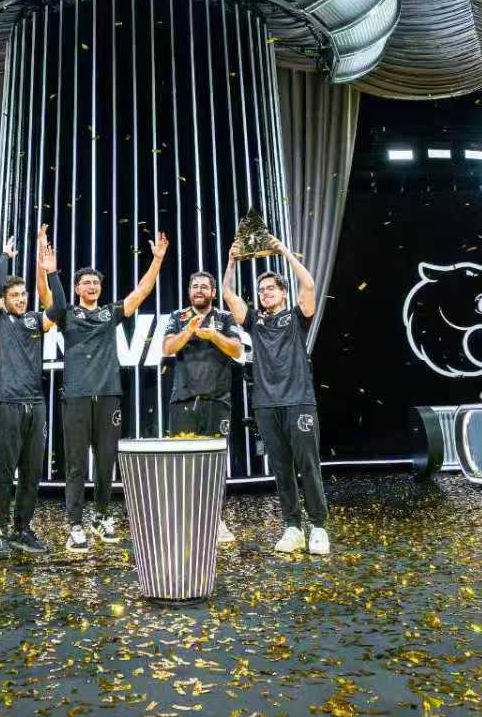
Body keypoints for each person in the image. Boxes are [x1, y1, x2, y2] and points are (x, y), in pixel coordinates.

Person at [42, 223, 169, 553]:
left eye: (96, 282)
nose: (92, 285)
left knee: (105, 462)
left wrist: (157, 260)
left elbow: (140, 293)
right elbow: (47, 299)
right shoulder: (65, 314)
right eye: (86, 282)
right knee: (75, 465)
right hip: (76, 397)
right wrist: (48, 270)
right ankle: (75, 525)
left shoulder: (110, 313)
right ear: (76, 288)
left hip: (109, 395)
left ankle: (101, 517)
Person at [223, 240, 329, 556]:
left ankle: (318, 527)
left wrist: (283, 252)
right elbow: (228, 294)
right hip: (266, 405)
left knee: (308, 465)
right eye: (261, 290)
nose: (265, 293)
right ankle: (293, 527)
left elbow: (309, 284)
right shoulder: (255, 322)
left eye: (271, 288)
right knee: (282, 469)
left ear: (283, 293)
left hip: (299, 400)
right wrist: (231, 261)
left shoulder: (297, 316)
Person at [0, 235, 54, 560]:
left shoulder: (34, 320)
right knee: (3, 472)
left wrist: (49, 272)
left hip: (35, 404)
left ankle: (22, 529)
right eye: (15, 295)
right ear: (4, 299)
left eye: (24, 294)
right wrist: (5, 257)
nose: (22, 299)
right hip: (4, 402)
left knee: (31, 472)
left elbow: (58, 310)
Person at [161, 269, 245, 546]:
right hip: (183, 401)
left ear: (213, 292)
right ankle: (184, 522)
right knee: (182, 466)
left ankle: (216, 520)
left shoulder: (225, 318)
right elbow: (167, 348)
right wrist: (189, 330)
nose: (199, 290)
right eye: (195, 286)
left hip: (217, 403)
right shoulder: (178, 317)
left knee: (215, 466)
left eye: (204, 287)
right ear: (189, 292)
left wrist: (213, 336)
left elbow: (237, 350)